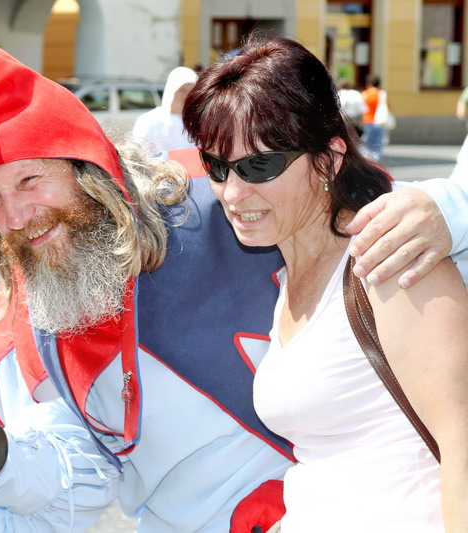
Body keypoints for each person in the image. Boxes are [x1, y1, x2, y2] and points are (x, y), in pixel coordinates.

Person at [0, 21, 468, 532]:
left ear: (88, 170)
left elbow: (363, 202)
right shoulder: (35, 308)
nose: (15, 217)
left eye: (30, 181)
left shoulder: (213, 203)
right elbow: (84, 467)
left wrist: (448, 207)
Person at [184, 35, 468, 531]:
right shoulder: (287, 280)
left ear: (329, 158)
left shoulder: (387, 262)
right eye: (217, 166)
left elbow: (462, 438)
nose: (232, 192)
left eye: (259, 165)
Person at [132, 66, 197, 152]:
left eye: (191, 91)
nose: (186, 95)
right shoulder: (148, 121)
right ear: (171, 90)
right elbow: (139, 153)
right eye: (182, 90)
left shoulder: (196, 123)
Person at [360, 74, 387, 161]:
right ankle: (376, 158)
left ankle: (364, 156)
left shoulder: (365, 94)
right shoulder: (381, 93)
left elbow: (361, 108)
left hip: (367, 119)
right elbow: (387, 107)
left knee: (366, 140)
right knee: (378, 141)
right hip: (379, 121)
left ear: (369, 83)